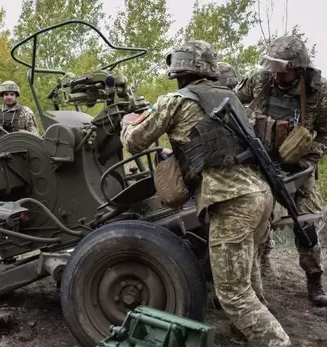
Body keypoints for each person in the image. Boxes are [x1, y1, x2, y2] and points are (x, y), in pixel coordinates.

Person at [120, 40, 291, 346]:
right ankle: (245, 330)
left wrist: (126, 123)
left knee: (233, 295)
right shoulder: (229, 97)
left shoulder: (175, 101)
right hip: (260, 193)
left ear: (178, 71)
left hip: (230, 200)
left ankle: (277, 342)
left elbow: (134, 142)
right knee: (247, 272)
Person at [235, 35, 327, 307]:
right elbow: (231, 100)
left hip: (297, 170)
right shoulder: (259, 80)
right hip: (258, 164)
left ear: (300, 67)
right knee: (253, 219)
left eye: (284, 70)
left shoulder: (320, 91)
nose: (277, 75)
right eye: (274, 68)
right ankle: (253, 277)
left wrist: (307, 160)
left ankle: (314, 280)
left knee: (305, 225)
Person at [0, 80, 39, 160]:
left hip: (20, 154)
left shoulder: (26, 112)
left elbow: (34, 135)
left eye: (12, 94)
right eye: (6, 94)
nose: (9, 97)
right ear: (2, 96)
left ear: (16, 96)